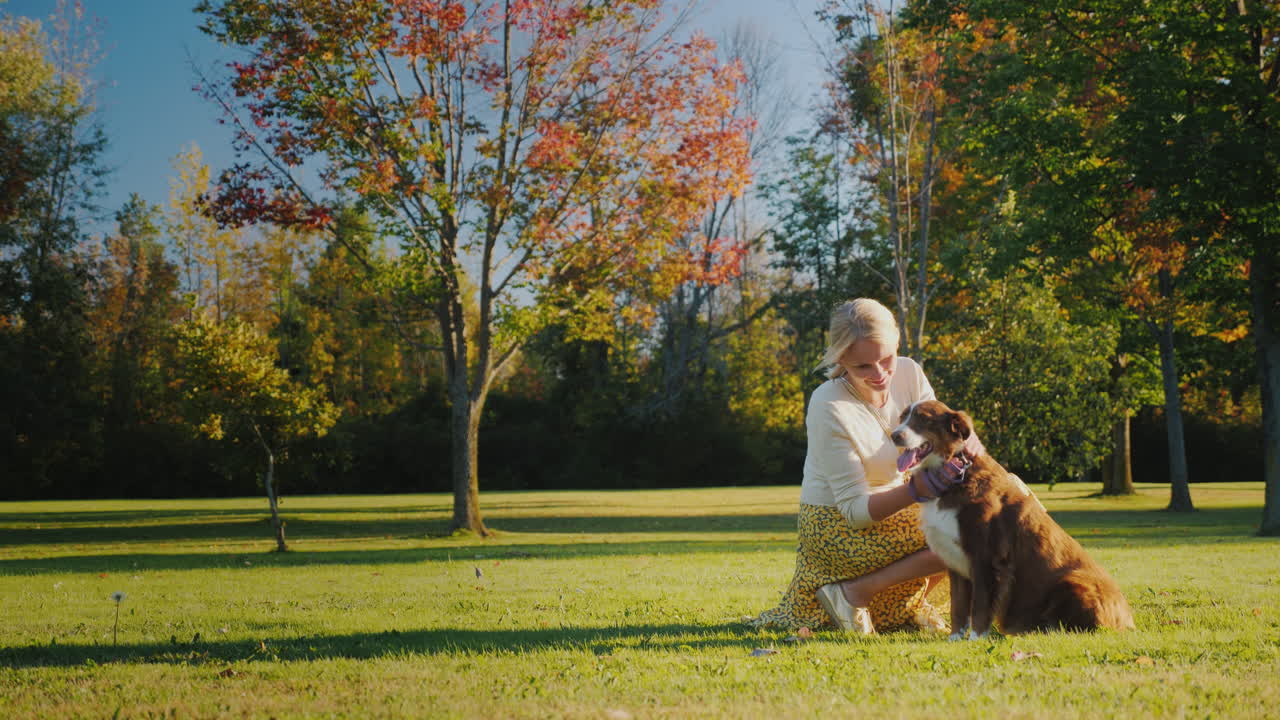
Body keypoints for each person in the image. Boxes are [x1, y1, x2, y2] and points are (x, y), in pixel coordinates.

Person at [750, 298, 978, 633]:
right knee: (969, 534)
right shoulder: (828, 403)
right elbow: (854, 512)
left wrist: (989, 474)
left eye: (886, 359)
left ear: (897, 343)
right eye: (863, 366)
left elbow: (951, 439)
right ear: (841, 359)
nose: (880, 374)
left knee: (1000, 506)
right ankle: (854, 592)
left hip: (901, 506)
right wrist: (918, 489)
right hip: (836, 525)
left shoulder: (909, 372)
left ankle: (910, 605)